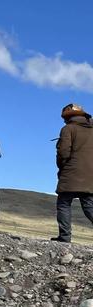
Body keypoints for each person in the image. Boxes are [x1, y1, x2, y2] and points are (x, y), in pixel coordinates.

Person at [52, 103, 93, 243]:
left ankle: (65, 237)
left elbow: (63, 152)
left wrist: (62, 167)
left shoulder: (68, 129)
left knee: (64, 202)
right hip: (91, 175)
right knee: (89, 205)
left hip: (71, 172)